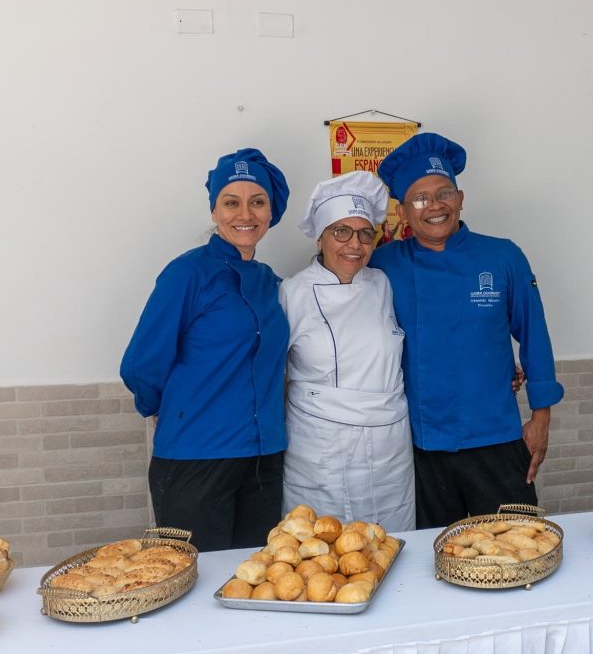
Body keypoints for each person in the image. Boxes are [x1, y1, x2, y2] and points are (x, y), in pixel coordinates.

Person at [370, 133, 564, 528]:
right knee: (433, 558)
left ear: (460, 198)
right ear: (404, 211)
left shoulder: (502, 255)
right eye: (420, 198)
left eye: (444, 193)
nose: (435, 206)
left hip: (496, 438)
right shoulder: (382, 264)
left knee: (515, 549)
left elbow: (535, 336)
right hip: (420, 446)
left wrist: (540, 419)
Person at [120, 148, 290, 551]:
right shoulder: (187, 273)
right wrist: (170, 411)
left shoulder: (271, 283)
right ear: (214, 211)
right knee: (194, 585)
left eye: (257, 202)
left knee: (253, 581)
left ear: (271, 213)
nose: (244, 214)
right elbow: (141, 363)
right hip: (196, 458)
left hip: (264, 459)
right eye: (231, 202)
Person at [279, 171, 416, 531]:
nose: (354, 245)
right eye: (341, 232)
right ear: (321, 237)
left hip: (390, 446)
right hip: (321, 449)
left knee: (392, 544)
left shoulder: (383, 283)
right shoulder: (292, 293)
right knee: (320, 554)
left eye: (365, 234)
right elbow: (272, 374)